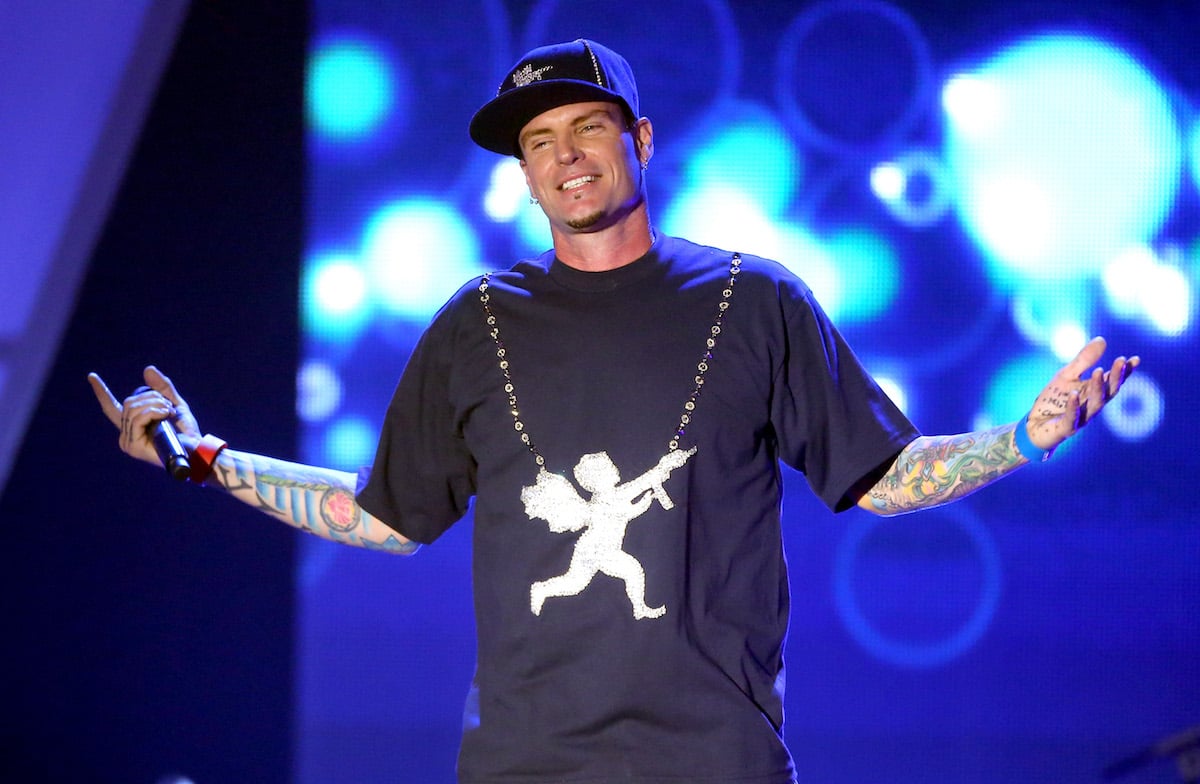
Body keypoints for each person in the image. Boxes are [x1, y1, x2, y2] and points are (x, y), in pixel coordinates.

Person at [90, 39, 1139, 784]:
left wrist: (1019, 440)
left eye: (588, 126)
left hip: (715, 762)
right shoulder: (475, 323)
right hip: (524, 765)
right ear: (522, 172)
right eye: (538, 141)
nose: (566, 156)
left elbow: (881, 477)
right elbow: (384, 514)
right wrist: (206, 460)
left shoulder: (755, 300)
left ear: (639, 135)